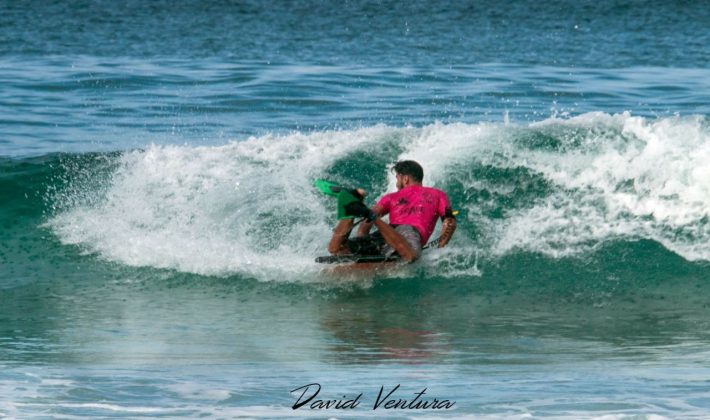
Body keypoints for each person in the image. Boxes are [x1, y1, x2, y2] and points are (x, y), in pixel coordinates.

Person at [327, 160, 457, 262]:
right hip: (406, 234)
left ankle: (350, 212)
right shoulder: (438, 194)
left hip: (387, 234)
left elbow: (365, 223)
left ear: (405, 178)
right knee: (410, 256)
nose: (396, 183)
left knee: (336, 249)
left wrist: (363, 243)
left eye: (397, 178)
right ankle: (370, 216)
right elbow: (449, 221)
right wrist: (442, 243)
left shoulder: (391, 197)